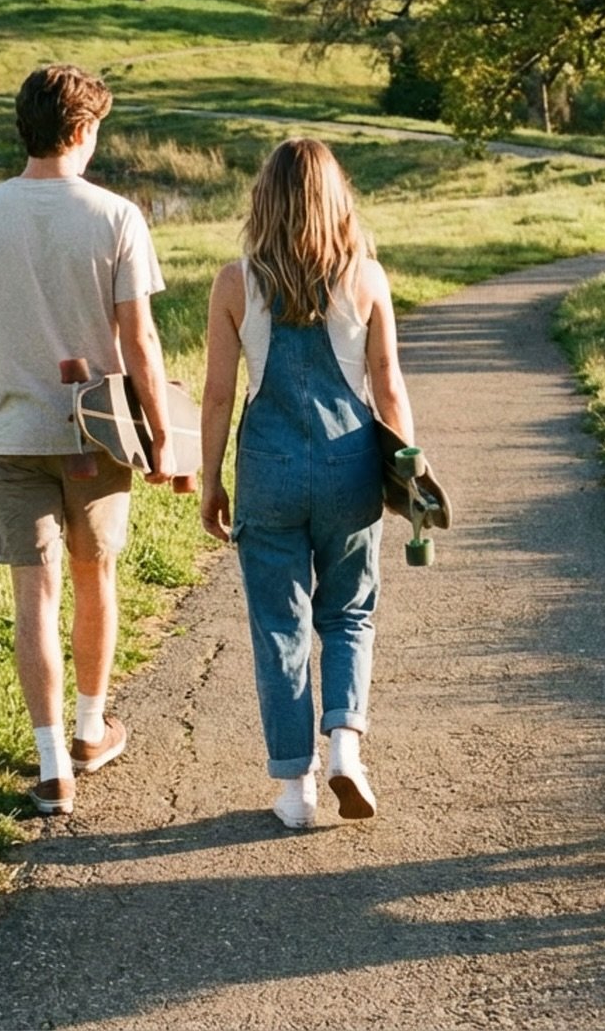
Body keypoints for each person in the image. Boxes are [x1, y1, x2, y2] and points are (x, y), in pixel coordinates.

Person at [0, 64, 175, 816]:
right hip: (97, 436)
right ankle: (91, 730)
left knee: (31, 594)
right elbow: (140, 341)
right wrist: (163, 435)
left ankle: (50, 770)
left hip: (10, 434)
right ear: (84, 130)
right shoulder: (116, 217)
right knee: (95, 577)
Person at [200, 138, 415, 828]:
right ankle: (347, 746)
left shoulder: (235, 283)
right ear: (337, 200)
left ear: (264, 200)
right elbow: (387, 386)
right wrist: (409, 465)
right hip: (348, 464)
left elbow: (216, 396)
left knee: (278, 624)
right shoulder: (366, 279)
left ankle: (296, 789)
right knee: (350, 612)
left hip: (268, 468)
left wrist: (209, 480)